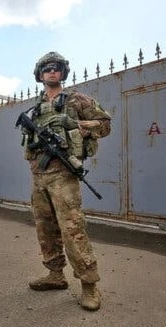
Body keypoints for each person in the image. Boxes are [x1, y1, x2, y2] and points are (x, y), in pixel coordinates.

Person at [20, 52, 111, 311]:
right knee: (45, 229)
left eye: (56, 68)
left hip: (64, 174)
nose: (51, 72)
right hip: (39, 175)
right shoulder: (34, 108)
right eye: (46, 68)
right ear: (39, 74)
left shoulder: (76, 99)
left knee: (72, 229)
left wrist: (74, 124)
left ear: (62, 73)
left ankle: (89, 284)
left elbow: (105, 125)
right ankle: (55, 275)